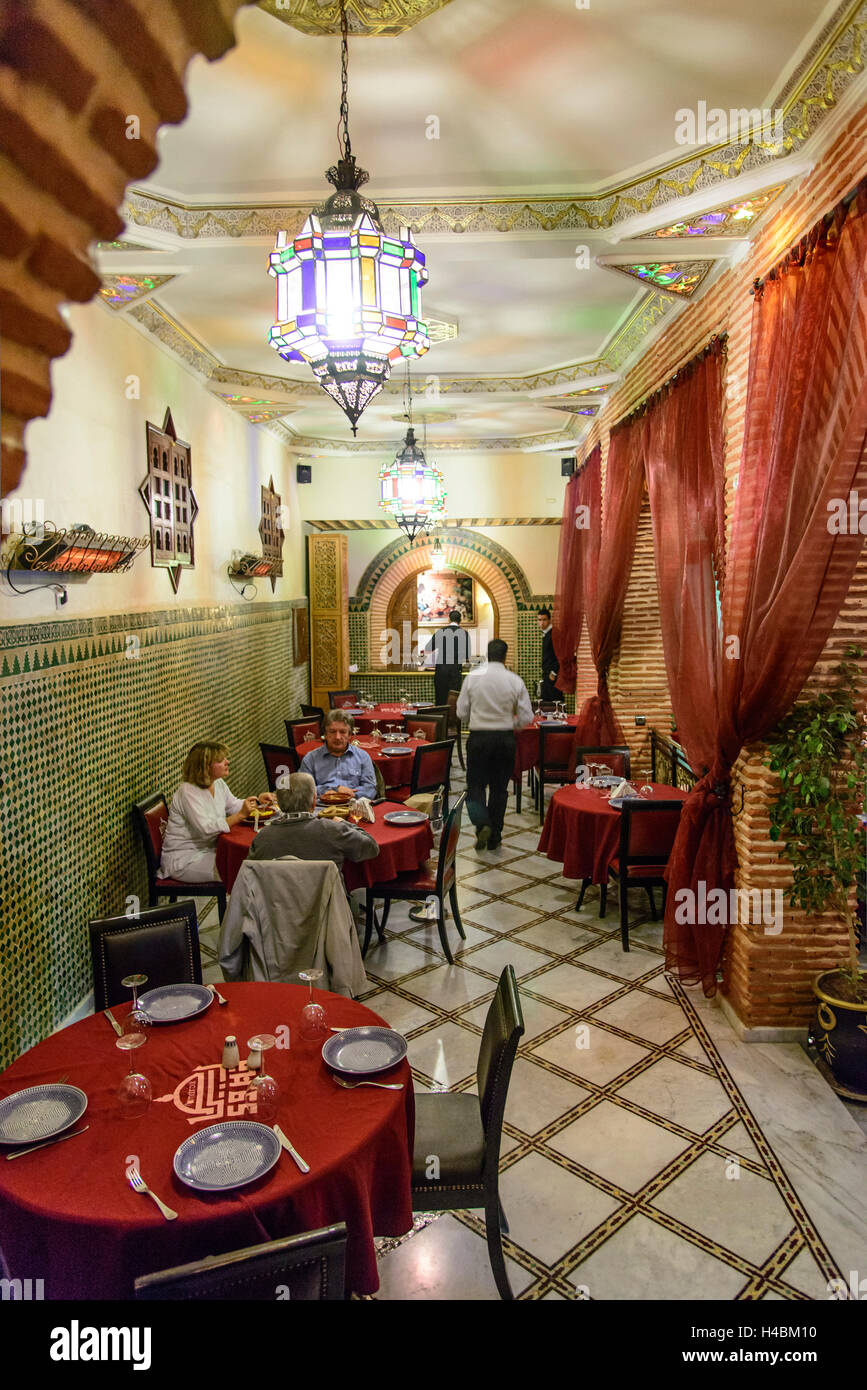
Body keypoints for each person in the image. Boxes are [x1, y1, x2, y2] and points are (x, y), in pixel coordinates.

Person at [457, 638, 533, 852]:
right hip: (504, 739)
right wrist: (513, 724)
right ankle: (495, 836)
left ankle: (482, 824)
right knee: (500, 789)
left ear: (487, 655)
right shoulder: (514, 680)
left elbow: (461, 712)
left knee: (475, 786)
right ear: (505, 656)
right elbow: (527, 715)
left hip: (479, 739)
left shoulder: (472, 678)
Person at [158, 740, 263, 882]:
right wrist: (239, 816)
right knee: (243, 870)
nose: (227, 762)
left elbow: (233, 805)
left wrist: (258, 801)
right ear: (205, 767)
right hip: (185, 859)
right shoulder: (188, 792)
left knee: (251, 863)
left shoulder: (217, 783)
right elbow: (205, 830)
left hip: (209, 850)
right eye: (220, 760)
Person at [250, 773, 380, 870]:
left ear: (279, 803)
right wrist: (343, 823)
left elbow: (250, 877)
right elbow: (371, 848)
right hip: (327, 905)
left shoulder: (262, 838)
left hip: (276, 905)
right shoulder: (332, 830)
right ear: (314, 801)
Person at [299, 709, 377, 800]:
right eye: (332, 732)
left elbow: (371, 789)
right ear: (325, 734)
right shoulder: (310, 759)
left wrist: (348, 795)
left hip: (354, 807)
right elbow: (303, 789)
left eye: (343, 732)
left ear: (350, 735)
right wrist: (333, 790)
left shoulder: (363, 757)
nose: (337, 737)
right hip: (321, 808)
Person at [425, 608, 472, 707]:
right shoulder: (464, 634)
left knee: (441, 699)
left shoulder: (440, 632)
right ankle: (453, 722)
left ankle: (441, 720)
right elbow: (467, 656)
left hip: (441, 670)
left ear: (449, 620)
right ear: (460, 620)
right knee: (454, 701)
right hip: (455, 671)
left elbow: (428, 648)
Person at [538, 607, 559, 700]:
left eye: (544, 620)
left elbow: (560, 655)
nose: (541, 623)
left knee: (554, 702)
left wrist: (554, 673)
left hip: (552, 675)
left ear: (549, 620)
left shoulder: (554, 634)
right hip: (547, 675)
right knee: (546, 704)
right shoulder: (547, 634)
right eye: (539, 620)